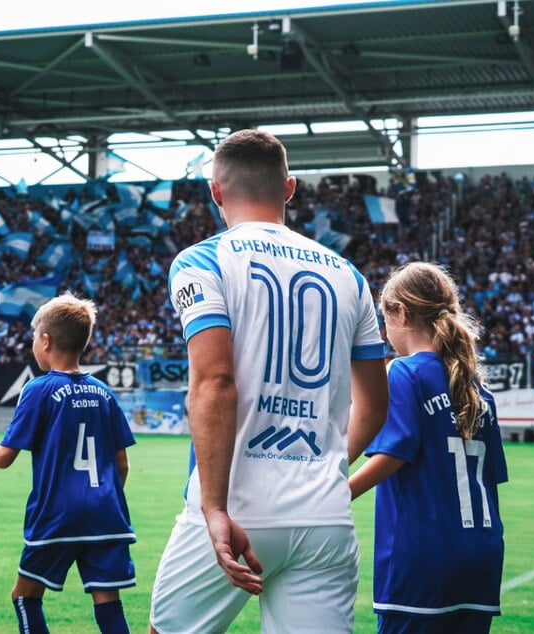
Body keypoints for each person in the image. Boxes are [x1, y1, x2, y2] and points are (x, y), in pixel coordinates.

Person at [149, 129, 389, 633]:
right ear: (290, 187)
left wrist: (213, 508)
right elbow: (375, 404)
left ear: (215, 192)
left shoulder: (200, 261)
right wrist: (324, 469)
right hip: (324, 514)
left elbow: (215, 382)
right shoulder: (349, 275)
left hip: (238, 507)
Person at [0, 292, 136, 634]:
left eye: (33, 338)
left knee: (25, 597)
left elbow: (4, 457)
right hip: (106, 514)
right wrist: (100, 499)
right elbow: (122, 464)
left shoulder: (39, 389)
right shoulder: (104, 392)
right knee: (108, 603)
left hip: (56, 516)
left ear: (45, 341)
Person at [349, 261, 507, 633]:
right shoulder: (477, 389)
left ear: (400, 314)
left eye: (383, 318)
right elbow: (491, 478)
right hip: (483, 555)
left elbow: (394, 452)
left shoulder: (404, 372)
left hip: (422, 559)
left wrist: (337, 493)